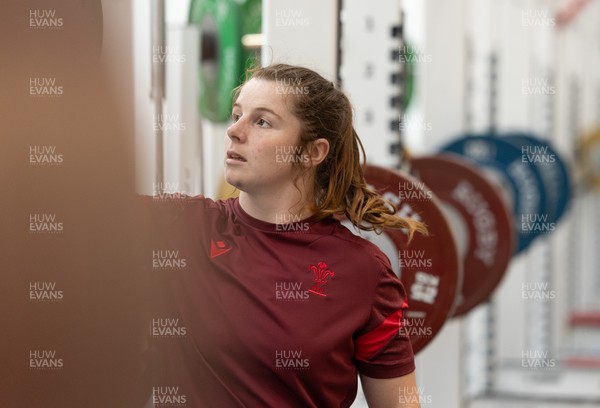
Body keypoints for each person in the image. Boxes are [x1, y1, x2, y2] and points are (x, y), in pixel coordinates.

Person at [143, 63, 426, 408]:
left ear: (312, 152)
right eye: (237, 115)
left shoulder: (364, 273)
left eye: (261, 121)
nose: (234, 130)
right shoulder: (180, 228)